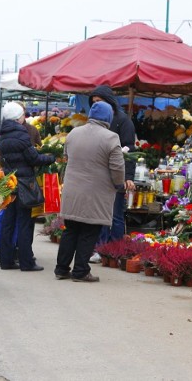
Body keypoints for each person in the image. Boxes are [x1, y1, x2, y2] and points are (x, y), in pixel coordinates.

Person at [54, 101, 125, 282]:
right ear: (108, 117)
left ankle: (61, 269)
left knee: (70, 230)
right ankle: (80, 271)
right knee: (89, 231)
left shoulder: (73, 133)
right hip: (95, 193)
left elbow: (66, 156)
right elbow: (117, 168)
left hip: (72, 190)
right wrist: (119, 184)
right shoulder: (111, 138)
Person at [0, 102, 55, 271]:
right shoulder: (21, 136)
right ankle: (26, 262)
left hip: (9, 182)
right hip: (24, 184)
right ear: (17, 118)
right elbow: (34, 159)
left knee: (8, 222)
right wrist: (51, 158)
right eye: (22, 115)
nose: (24, 118)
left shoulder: (3, 136)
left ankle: (6, 260)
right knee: (25, 223)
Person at [87, 85, 136, 263]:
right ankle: (99, 249)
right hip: (98, 176)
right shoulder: (93, 122)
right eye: (94, 102)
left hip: (117, 176)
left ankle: (115, 251)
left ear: (109, 101)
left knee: (115, 215)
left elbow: (130, 150)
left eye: (99, 101)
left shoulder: (123, 121)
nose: (96, 105)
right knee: (99, 214)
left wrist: (128, 177)